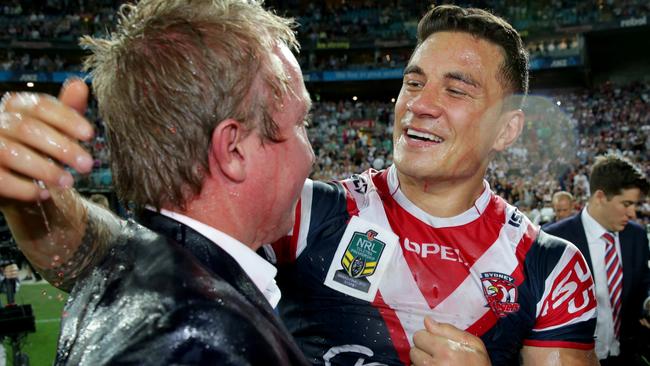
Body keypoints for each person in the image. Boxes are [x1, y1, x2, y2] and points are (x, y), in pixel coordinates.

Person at [0, 4, 599, 366]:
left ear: (508, 129)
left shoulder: (549, 267)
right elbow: (143, 255)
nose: (421, 105)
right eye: (414, 82)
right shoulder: (306, 211)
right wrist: (38, 198)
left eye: (457, 89)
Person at [0, 0, 314, 364]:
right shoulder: (200, 342)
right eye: (300, 124)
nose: (311, 155)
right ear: (234, 150)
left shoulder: (136, 266)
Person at [544, 154, 650, 365]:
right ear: (600, 197)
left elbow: (642, 285)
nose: (632, 213)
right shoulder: (552, 240)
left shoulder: (636, 236)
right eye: (626, 203)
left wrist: (647, 302)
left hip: (625, 354)